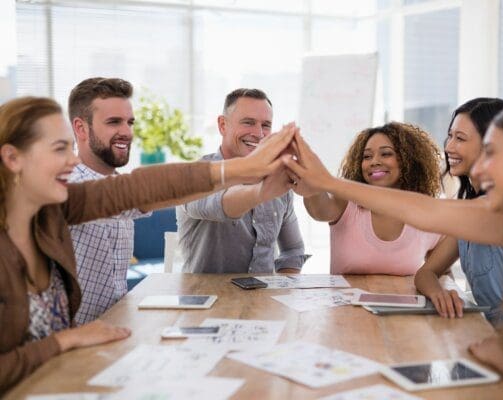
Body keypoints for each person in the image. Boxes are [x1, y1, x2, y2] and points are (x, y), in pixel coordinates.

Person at [283, 104, 503, 399]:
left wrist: (497, 355)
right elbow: (426, 211)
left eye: (490, 153)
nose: (479, 170)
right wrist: (327, 182)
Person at [0, 96, 295, 393]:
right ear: (13, 159)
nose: (73, 159)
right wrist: (63, 340)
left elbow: (137, 190)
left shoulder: (53, 210)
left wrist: (239, 170)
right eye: (59, 149)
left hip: (56, 380)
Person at [177, 88, 308, 274]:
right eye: (248, 122)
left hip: (263, 300)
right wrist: (263, 189)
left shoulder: (278, 182)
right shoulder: (194, 176)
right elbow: (223, 206)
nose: (259, 133)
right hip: (208, 299)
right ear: (223, 125)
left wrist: (281, 292)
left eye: (266, 125)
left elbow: (293, 251)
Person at [414, 98, 503, 328]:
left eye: (460, 139)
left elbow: (423, 211)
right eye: (450, 136)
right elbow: (426, 272)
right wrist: (439, 293)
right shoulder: (468, 215)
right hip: (489, 337)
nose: (448, 146)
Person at [299, 122, 442, 275]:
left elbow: (439, 274)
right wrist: (310, 186)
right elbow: (320, 211)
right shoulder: (346, 202)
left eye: (386, 154)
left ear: (409, 160)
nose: (374, 162)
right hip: (348, 300)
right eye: (367, 156)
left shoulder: (426, 216)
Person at [67, 77, 148, 325]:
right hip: (72, 345)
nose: (126, 132)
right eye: (114, 122)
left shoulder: (118, 182)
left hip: (116, 330)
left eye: (129, 122)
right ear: (81, 128)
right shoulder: (67, 186)